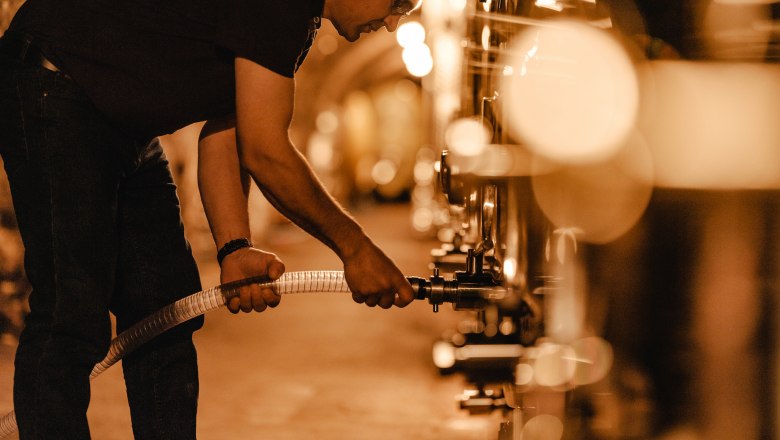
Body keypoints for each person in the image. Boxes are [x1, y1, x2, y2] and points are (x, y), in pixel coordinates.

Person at [0, 0, 421, 437]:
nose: (393, 24)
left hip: (120, 120)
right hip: (57, 79)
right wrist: (356, 248)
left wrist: (234, 247)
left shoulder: (299, 19)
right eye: (397, 5)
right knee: (71, 309)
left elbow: (231, 131)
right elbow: (266, 152)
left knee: (168, 309)